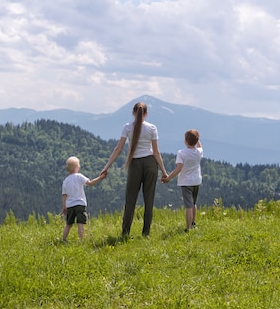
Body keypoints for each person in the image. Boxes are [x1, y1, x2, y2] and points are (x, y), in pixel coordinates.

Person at [101, 101, 168, 237]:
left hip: (135, 164)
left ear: (133, 112)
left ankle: (125, 233)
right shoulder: (152, 128)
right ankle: (146, 234)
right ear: (146, 114)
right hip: (150, 164)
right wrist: (164, 172)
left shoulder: (127, 127)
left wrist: (106, 167)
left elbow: (118, 149)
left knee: (130, 200)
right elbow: (156, 152)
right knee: (149, 200)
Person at [162, 129, 203, 232]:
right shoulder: (199, 152)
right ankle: (193, 223)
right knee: (193, 203)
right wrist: (197, 139)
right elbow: (200, 146)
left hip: (186, 182)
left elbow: (179, 168)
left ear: (185, 141)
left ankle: (188, 228)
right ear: (197, 140)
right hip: (196, 180)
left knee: (188, 205)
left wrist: (168, 178)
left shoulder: (181, 153)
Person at [61, 156, 105, 242]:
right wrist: (100, 178)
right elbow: (90, 183)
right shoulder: (79, 177)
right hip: (80, 204)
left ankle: (63, 239)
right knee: (80, 223)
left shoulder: (65, 181)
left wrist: (64, 207)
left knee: (69, 224)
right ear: (78, 168)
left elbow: (64, 195)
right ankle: (81, 240)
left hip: (70, 205)